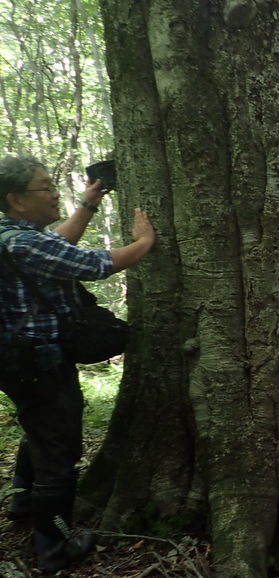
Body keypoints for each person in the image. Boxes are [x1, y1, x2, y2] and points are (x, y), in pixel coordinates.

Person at [0, 154, 155, 572]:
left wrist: (88, 201)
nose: (53, 194)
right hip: (39, 362)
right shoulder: (20, 241)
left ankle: (21, 500)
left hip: (20, 361)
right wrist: (142, 243)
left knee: (39, 426)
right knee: (57, 447)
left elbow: (58, 246)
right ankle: (54, 547)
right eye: (45, 187)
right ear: (16, 199)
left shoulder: (14, 236)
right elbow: (93, 264)